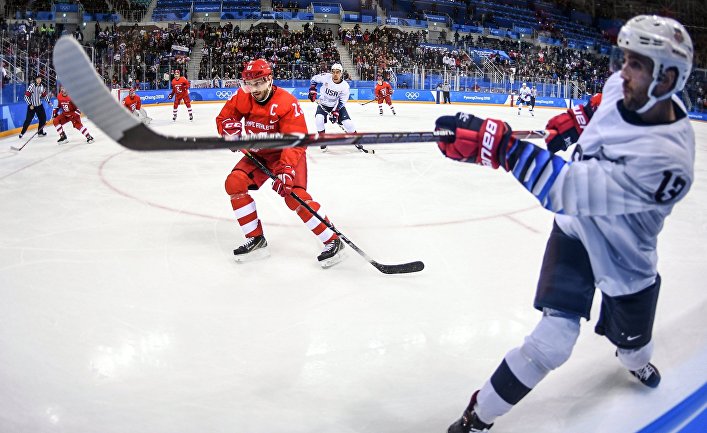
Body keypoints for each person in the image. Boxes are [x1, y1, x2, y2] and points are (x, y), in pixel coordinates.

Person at [435, 15, 694, 432]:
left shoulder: (667, 162)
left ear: (666, 79)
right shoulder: (623, 87)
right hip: (575, 230)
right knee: (552, 341)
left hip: (623, 256)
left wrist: (500, 148)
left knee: (634, 349)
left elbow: (570, 190)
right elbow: (602, 101)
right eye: (624, 60)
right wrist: (576, 118)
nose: (622, 72)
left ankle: (634, 360)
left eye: (637, 65)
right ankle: (477, 416)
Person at [216, 59, 346, 268]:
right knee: (234, 183)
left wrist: (286, 169)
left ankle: (332, 240)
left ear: (270, 80)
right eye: (249, 84)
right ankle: (256, 240)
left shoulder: (286, 103)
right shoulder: (243, 96)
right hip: (258, 153)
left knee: (294, 197)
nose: (253, 89)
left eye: (258, 83)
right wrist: (227, 132)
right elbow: (225, 118)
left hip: (286, 154)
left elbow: (296, 140)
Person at [308, 63, 360, 152]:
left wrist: (335, 112)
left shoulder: (344, 86)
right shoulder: (325, 77)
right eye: (333, 72)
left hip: (336, 106)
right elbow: (314, 79)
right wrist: (312, 90)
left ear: (341, 73)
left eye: (338, 72)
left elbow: (342, 101)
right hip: (323, 104)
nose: (335, 74)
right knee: (318, 119)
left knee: (348, 123)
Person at [19, 74, 50, 139]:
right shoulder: (32, 86)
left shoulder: (42, 86)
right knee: (28, 120)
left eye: (40, 78)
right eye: (37, 78)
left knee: (43, 119)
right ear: (35, 80)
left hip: (39, 105)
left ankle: (40, 132)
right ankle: (22, 133)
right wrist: (30, 104)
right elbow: (26, 96)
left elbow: (45, 95)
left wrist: (49, 102)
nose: (39, 80)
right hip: (32, 106)